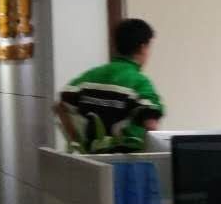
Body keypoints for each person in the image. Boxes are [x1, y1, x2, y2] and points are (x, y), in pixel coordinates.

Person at [57, 18, 165, 153]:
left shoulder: (90, 77)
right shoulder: (139, 82)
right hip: (129, 160)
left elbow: (60, 106)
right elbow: (151, 125)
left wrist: (78, 141)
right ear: (143, 48)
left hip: (93, 159)